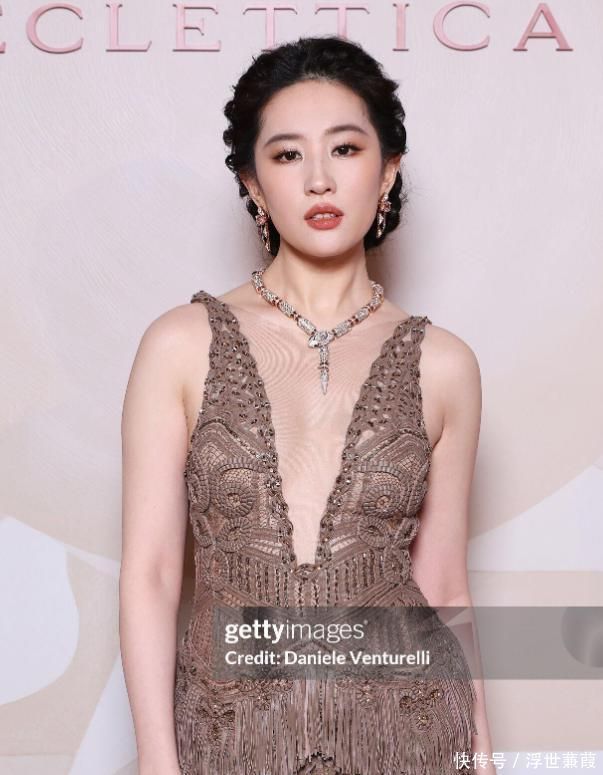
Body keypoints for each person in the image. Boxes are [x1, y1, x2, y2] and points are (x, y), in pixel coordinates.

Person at [120, 35, 494, 775]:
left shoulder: (446, 364)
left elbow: (445, 585)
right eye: (288, 155)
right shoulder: (179, 344)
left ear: (387, 171)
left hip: (408, 735)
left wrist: (480, 756)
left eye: (346, 149)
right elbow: (153, 575)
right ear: (254, 184)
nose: (319, 179)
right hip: (230, 738)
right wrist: (157, 762)